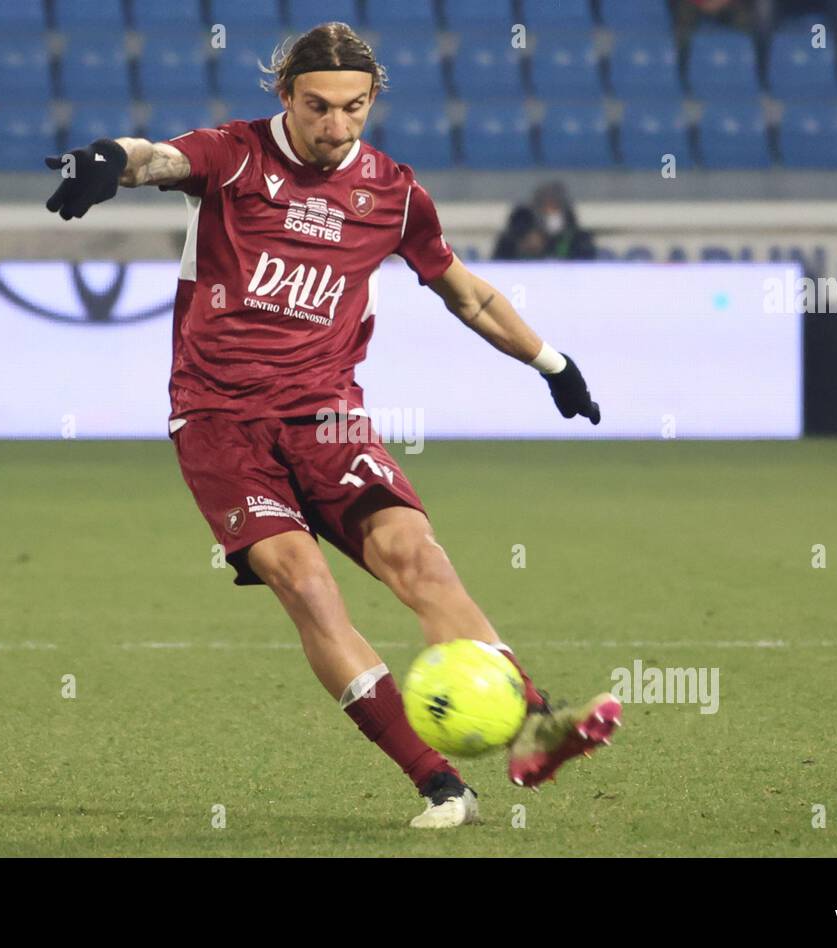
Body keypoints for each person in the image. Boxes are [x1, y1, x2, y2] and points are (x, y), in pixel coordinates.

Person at [44, 22, 620, 829]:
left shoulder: (393, 191)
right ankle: (439, 782)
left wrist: (551, 363)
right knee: (306, 585)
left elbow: (467, 293)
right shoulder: (235, 153)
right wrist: (108, 159)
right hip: (218, 418)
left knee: (418, 559)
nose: (335, 126)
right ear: (285, 95)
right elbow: (157, 158)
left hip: (327, 416)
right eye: (317, 106)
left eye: (353, 109)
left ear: (372, 100)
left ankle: (535, 728)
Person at [493, 182, 596, 261]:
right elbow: (499, 265)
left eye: (554, 207)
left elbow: (586, 264)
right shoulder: (512, 238)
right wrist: (523, 247)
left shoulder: (579, 239)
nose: (550, 212)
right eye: (545, 207)